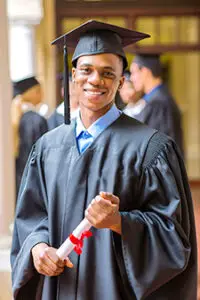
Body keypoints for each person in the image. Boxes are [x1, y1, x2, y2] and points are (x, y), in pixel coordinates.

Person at [11, 20, 197, 300]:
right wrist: (37, 248)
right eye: (86, 70)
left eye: (107, 73)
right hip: (58, 288)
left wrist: (118, 221)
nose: (95, 80)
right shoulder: (48, 147)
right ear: (73, 76)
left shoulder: (151, 149)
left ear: (121, 81)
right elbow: (31, 216)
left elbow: (173, 237)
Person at [130, 53, 184, 156]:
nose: (132, 78)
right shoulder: (158, 98)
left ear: (145, 72)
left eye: (134, 72)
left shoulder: (159, 103)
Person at [11, 76, 48, 199]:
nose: (42, 94)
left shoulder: (17, 117)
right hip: (33, 181)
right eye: (39, 90)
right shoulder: (36, 120)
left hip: (16, 179)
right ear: (33, 92)